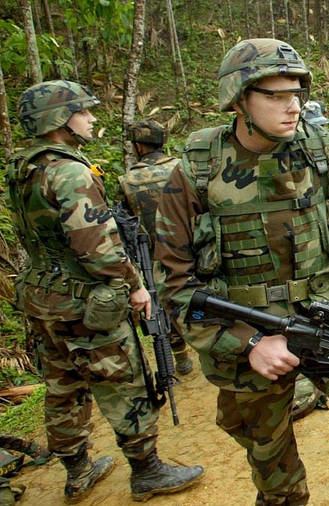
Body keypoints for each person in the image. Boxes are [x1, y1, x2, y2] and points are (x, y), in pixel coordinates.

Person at [154, 39, 329, 505]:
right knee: (275, 475)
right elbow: (175, 286)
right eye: (276, 96)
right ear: (239, 99)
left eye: (297, 94)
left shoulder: (321, 150)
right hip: (246, 338)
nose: (293, 107)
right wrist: (249, 343)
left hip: (328, 324)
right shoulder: (196, 170)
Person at [8, 80, 204, 503]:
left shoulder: (22, 167)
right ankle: (147, 470)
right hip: (85, 299)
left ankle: (78, 471)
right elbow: (97, 247)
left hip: (42, 295)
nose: (91, 118)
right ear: (60, 120)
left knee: (62, 386)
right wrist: (134, 285)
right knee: (122, 380)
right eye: (83, 111)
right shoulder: (70, 172)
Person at [118, 119, 193, 375]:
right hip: (192, 246)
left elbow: (126, 226)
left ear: (138, 146)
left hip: (155, 255)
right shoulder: (184, 168)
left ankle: (181, 355)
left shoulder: (127, 181)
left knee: (164, 302)